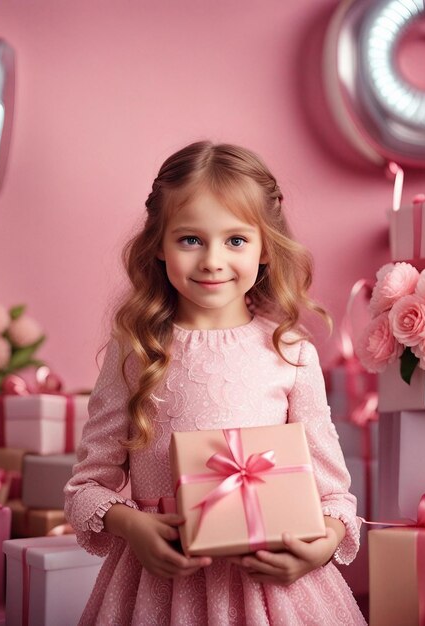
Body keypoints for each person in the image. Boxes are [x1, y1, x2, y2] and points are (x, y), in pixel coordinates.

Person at [64, 141, 366, 625]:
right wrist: (134, 527)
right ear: (158, 245)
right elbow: (87, 487)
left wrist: (322, 545)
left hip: (272, 594)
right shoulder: (136, 351)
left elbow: (333, 496)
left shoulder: (291, 353)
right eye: (190, 239)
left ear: (266, 246)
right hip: (159, 590)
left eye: (236, 240)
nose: (212, 260)